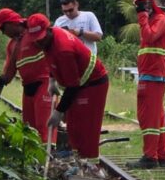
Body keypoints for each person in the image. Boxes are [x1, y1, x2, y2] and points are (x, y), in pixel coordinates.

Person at [25, 14, 109, 160]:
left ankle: (91, 167)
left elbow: (72, 86)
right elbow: (51, 59)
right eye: (36, 40)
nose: (39, 43)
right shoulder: (48, 39)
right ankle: (79, 161)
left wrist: (58, 111)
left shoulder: (64, 49)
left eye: (41, 38)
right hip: (80, 84)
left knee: (86, 128)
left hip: (93, 84)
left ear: (49, 29)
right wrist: (52, 80)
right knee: (73, 127)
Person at [0, 8, 54, 141]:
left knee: (43, 124)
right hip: (27, 87)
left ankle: (48, 156)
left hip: (44, 83)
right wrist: (4, 78)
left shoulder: (34, 34)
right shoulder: (12, 45)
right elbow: (10, 68)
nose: (3, 33)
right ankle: (33, 158)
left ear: (11, 23)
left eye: (3, 28)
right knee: (29, 126)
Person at [130, 0, 165, 168]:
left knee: (148, 117)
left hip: (154, 75)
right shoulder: (150, 20)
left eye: (144, 3)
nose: (141, 7)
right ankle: (162, 156)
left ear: (152, 2)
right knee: (157, 118)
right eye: (138, 4)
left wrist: (142, 16)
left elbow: (149, 37)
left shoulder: (160, 19)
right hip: (150, 73)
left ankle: (149, 157)